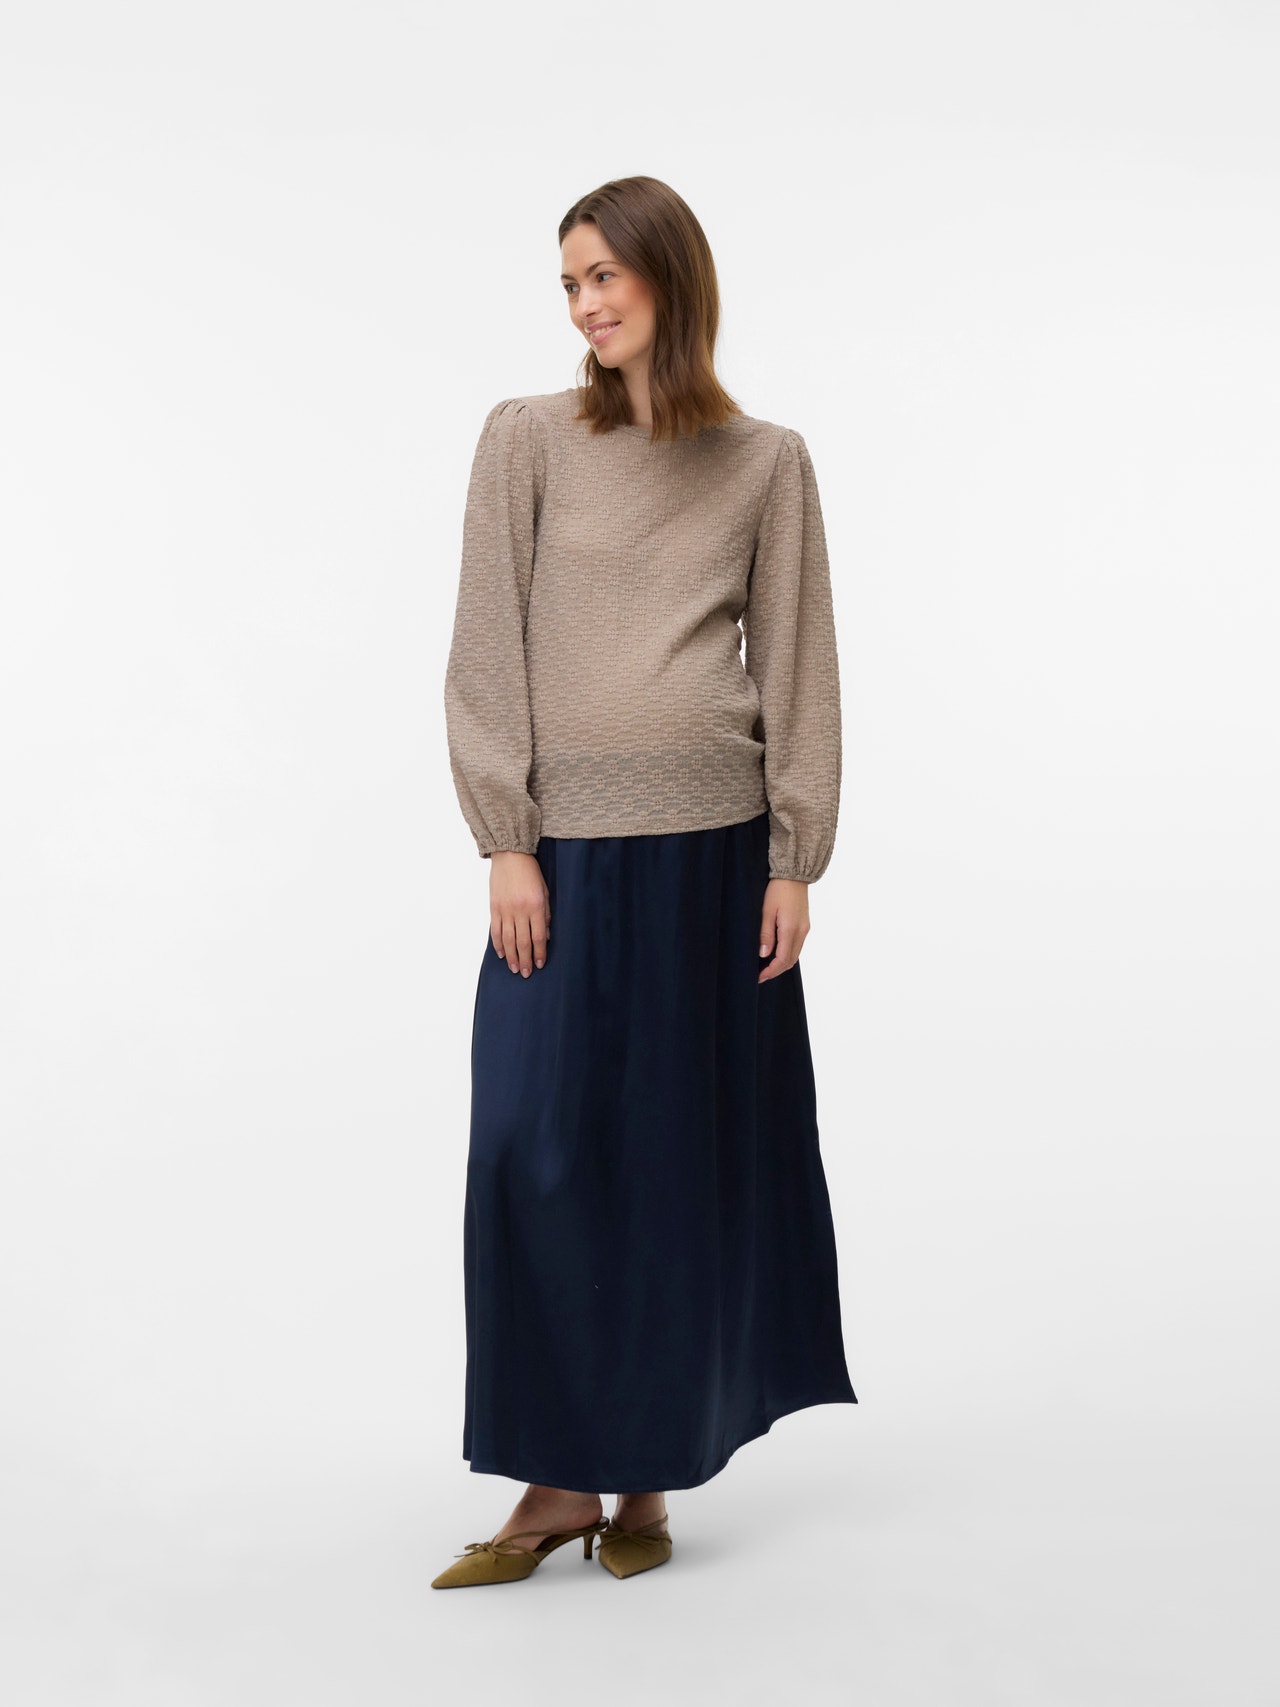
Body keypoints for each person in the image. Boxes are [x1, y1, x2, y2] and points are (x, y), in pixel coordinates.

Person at [433, 175, 857, 1589]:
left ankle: (646, 1477)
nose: (586, 304)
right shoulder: (528, 439)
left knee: (675, 1167)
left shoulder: (766, 461)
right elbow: (485, 643)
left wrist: (796, 854)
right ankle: (556, 1479)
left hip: (717, 858)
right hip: (560, 857)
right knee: (532, 1151)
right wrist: (506, 837)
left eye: (606, 274)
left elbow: (798, 664)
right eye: (571, 283)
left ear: (673, 277)